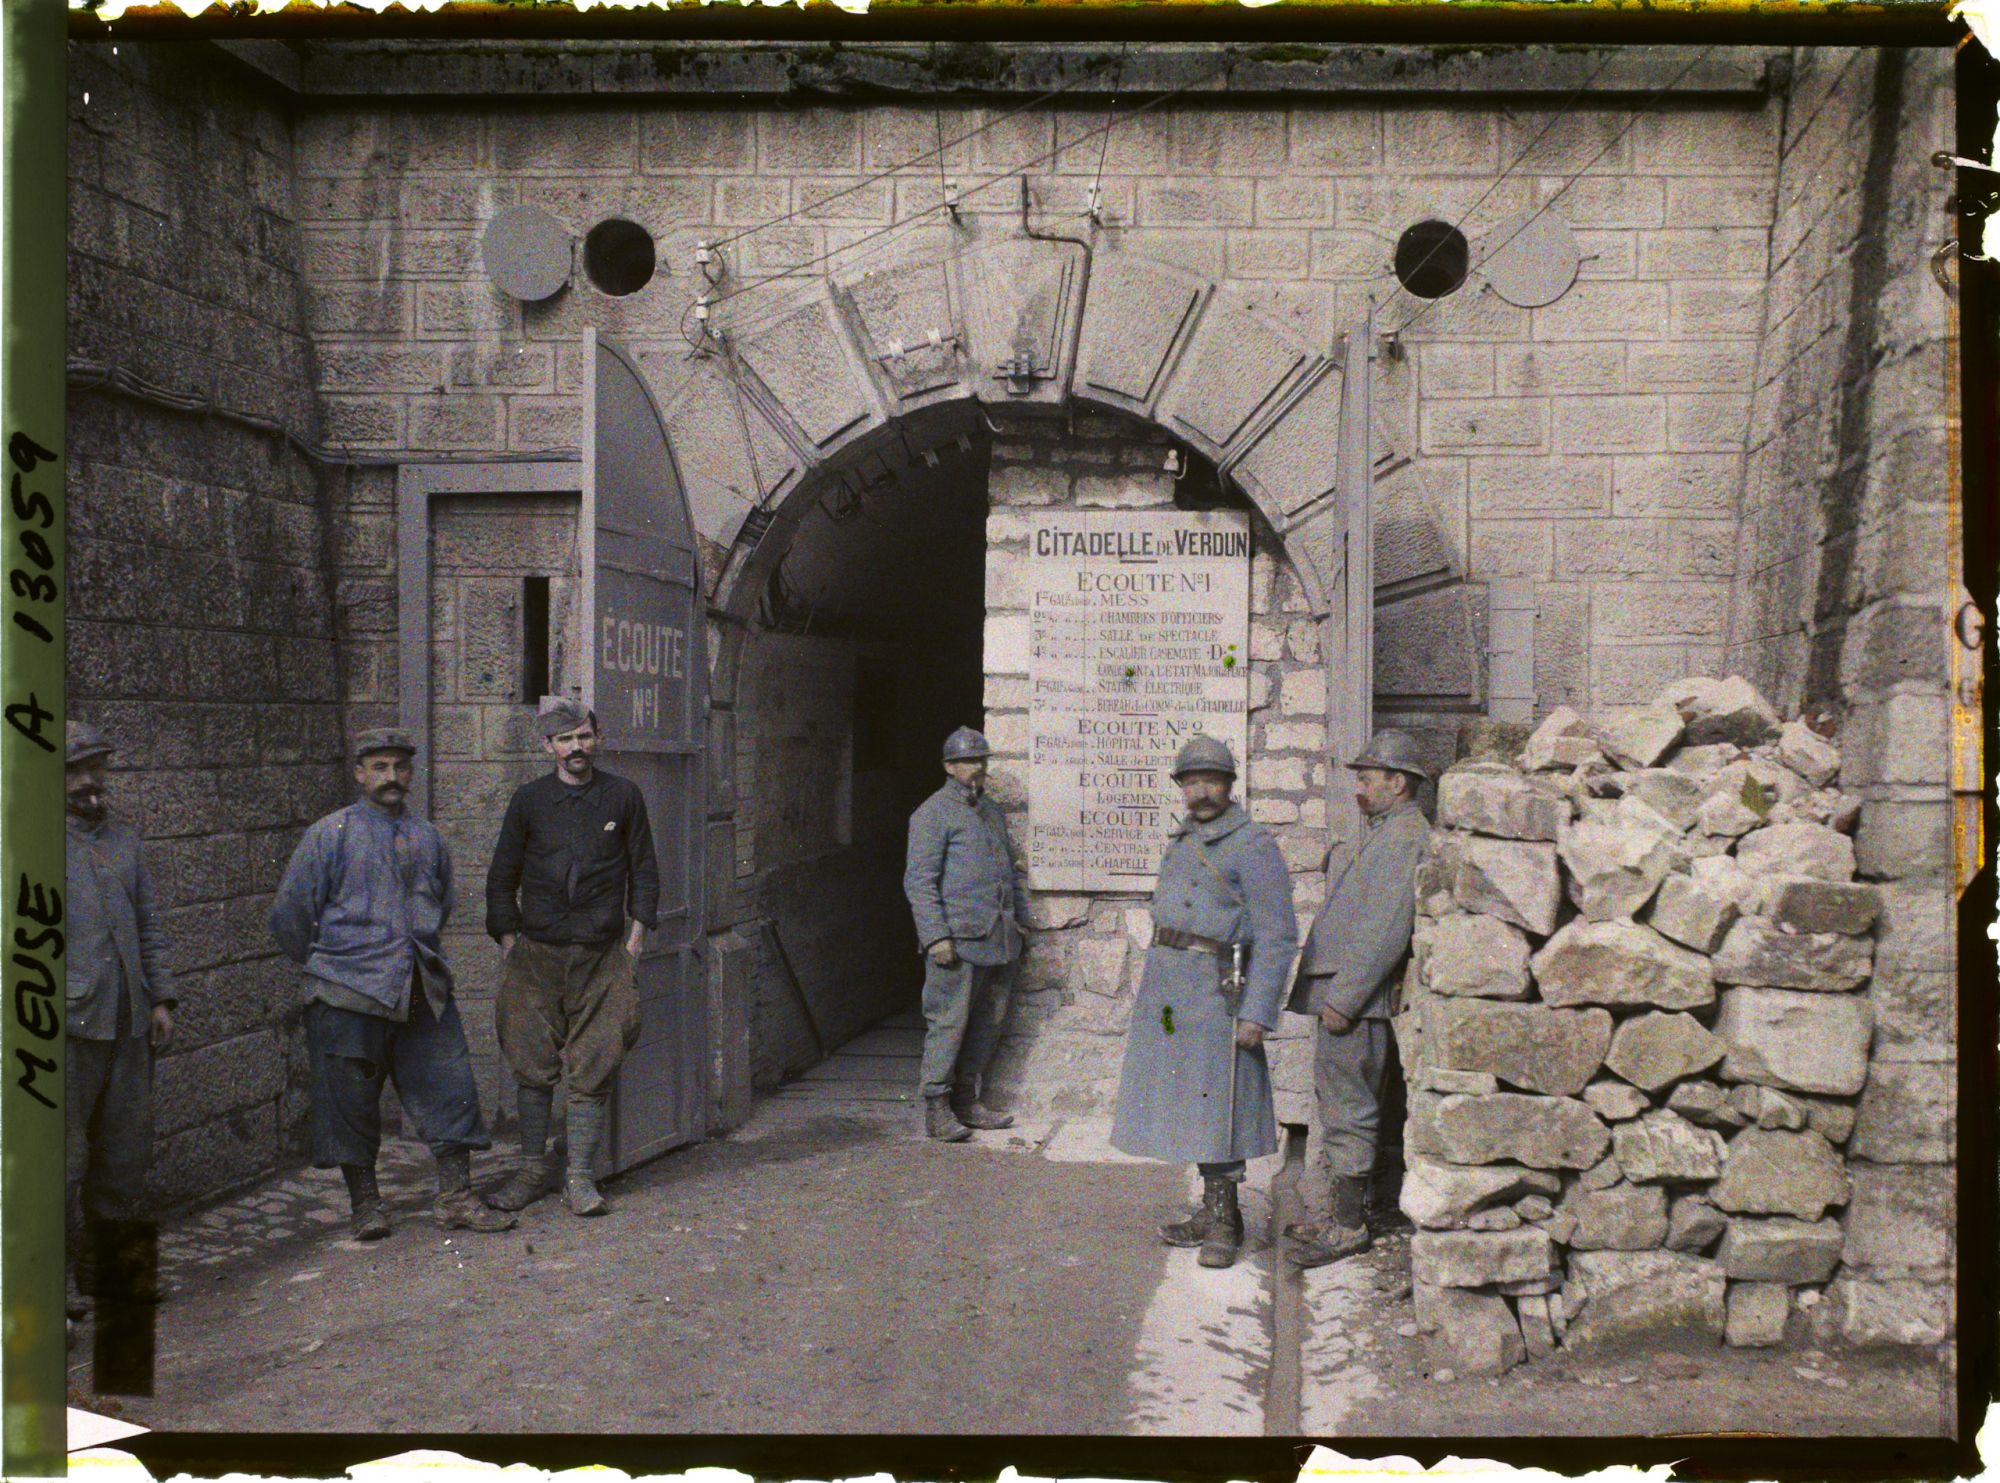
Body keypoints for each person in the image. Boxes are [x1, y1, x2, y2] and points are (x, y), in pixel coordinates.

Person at [270, 728, 516, 1239]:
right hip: (347, 993)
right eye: (379, 767)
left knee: (451, 1088)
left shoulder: (427, 837)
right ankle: (366, 1207)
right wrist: (336, 964)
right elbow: (290, 917)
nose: (391, 778)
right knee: (350, 1103)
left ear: (411, 772)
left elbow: (440, 905)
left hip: (421, 987)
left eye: (400, 767)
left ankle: (456, 1198)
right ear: (359, 773)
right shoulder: (329, 835)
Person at [1110, 735, 1298, 1270]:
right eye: (1191, 782)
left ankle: (1224, 1219)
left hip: (1220, 991)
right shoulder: (1182, 837)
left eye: (1212, 781)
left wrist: (1258, 1010)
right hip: (1171, 990)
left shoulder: (1252, 843)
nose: (1201, 792)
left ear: (1230, 786)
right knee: (1188, 1101)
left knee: (1221, 1102)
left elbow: (1278, 934)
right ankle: (1210, 1208)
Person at [484, 698, 658, 1216]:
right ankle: (533, 1171)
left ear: (597, 739)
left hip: (602, 956)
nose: (575, 748)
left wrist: (633, 944)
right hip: (536, 956)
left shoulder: (623, 797)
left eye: (583, 736)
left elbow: (645, 872)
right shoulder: (529, 801)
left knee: (594, 1063)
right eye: (564, 740)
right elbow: (501, 877)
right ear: (548, 748)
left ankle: (578, 1176)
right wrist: (512, 943)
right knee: (531, 1065)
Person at [1284, 728, 1432, 1269]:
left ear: (1398, 782)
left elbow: (1385, 928)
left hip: (1356, 998)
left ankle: (1348, 1227)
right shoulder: (1387, 831)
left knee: (1350, 1107)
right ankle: (1351, 1213)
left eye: (1368, 779)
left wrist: (1344, 999)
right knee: (1346, 1101)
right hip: (1348, 991)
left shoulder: (1402, 838)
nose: (1360, 790)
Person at [64, 722, 178, 1319]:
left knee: (127, 1154)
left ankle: (109, 1279)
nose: (88, 781)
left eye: (96, 768)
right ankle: (48, 1290)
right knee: (60, 1162)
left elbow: (149, 926)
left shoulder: (124, 841)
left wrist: (159, 999)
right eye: (73, 770)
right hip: (63, 1029)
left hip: (128, 1021)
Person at [902, 726, 1031, 1142]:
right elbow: (919, 881)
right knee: (948, 1024)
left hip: (999, 939)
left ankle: (965, 1100)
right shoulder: (931, 814)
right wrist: (936, 936)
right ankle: (936, 1109)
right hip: (956, 944)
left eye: (983, 761)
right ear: (949, 766)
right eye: (970, 762)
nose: (979, 769)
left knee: (985, 1025)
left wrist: (1021, 924)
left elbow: (1009, 873)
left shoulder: (990, 810)